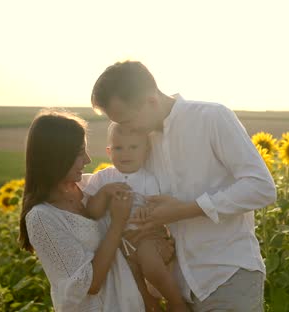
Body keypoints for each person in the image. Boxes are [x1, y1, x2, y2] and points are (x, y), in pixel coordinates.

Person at [90, 60, 277, 311]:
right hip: (178, 287)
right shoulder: (143, 144)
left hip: (227, 275)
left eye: (127, 120)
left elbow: (261, 187)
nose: (125, 129)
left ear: (151, 101)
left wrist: (185, 209)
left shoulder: (212, 117)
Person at [18, 109, 147, 311]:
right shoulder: (42, 218)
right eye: (79, 153)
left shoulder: (91, 188)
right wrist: (117, 223)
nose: (87, 160)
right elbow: (90, 284)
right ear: (56, 156)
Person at [83, 122, 187, 311]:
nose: (126, 153)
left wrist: (146, 212)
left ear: (146, 151)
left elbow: (157, 208)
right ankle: (150, 304)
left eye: (133, 147)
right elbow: (92, 212)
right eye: (119, 148)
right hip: (119, 243)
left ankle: (176, 302)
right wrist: (104, 193)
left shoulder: (148, 178)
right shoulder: (103, 178)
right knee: (133, 280)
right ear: (109, 151)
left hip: (146, 235)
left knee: (152, 267)